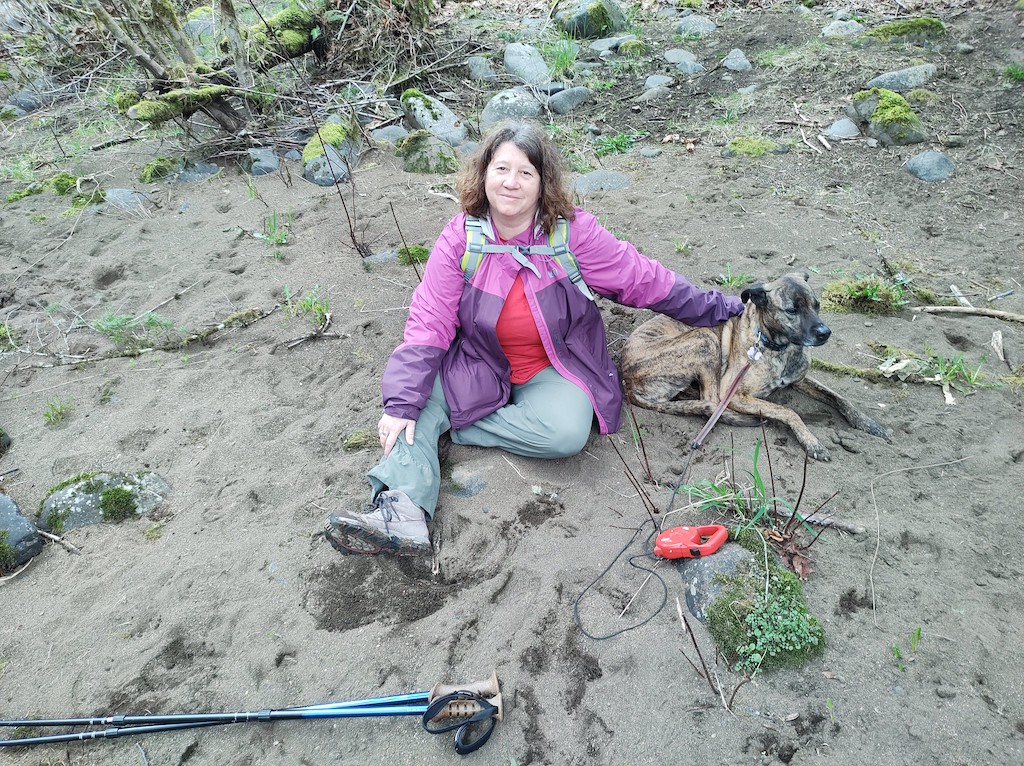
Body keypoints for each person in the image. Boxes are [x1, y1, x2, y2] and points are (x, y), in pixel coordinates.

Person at [325, 120, 743, 556]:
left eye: (526, 172)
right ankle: (403, 512)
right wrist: (401, 403)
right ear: (483, 174)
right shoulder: (461, 239)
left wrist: (724, 309)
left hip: (553, 367)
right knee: (410, 408)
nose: (511, 182)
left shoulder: (573, 236)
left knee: (565, 435)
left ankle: (449, 428)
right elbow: (429, 323)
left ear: (543, 183)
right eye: (501, 169)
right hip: (479, 363)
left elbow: (646, 280)